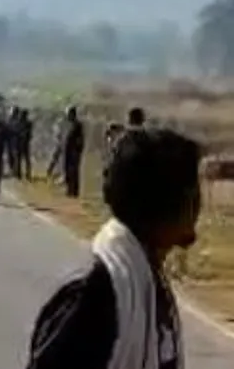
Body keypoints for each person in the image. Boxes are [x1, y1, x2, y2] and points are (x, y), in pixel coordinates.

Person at [25, 128, 200, 369]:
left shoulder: (147, 278)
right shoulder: (96, 296)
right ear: (166, 202)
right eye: (192, 192)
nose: (198, 205)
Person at [60, 106, 86, 198]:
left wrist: (78, 150)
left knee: (73, 171)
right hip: (67, 150)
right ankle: (69, 189)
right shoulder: (67, 125)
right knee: (67, 170)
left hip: (73, 151)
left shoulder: (78, 125)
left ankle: (74, 190)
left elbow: (80, 140)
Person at [15, 108, 33, 180]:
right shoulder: (27, 123)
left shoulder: (25, 123)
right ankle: (23, 174)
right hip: (22, 143)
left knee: (22, 160)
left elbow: (29, 134)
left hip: (23, 143)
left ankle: (23, 174)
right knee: (23, 160)